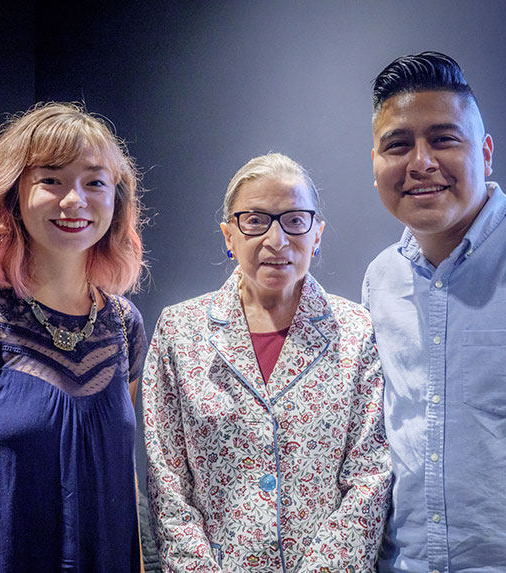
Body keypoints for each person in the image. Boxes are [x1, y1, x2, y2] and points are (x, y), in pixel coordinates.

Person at [363, 51, 506, 572]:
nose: (420, 162)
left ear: (485, 152)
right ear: (376, 167)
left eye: (443, 139)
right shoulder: (380, 280)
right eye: (398, 145)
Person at [143, 153, 391, 572]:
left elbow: (370, 476)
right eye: (255, 221)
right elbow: (167, 482)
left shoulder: (355, 330)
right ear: (228, 235)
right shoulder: (179, 332)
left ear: (317, 234)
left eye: (295, 220)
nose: (276, 241)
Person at [0, 102, 148, 572]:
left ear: (116, 199)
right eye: (51, 179)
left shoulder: (123, 324)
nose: (74, 200)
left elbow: (123, 485)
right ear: (13, 194)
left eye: (94, 181)